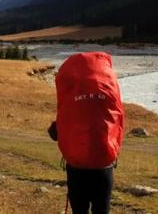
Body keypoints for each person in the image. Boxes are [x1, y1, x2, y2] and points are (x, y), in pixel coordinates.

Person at [48, 52, 124, 214]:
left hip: (77, 168)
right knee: (101, 210)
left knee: (80, 210)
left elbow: (54, 133)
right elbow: (118, 124)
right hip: (103, 165)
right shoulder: (108, 97)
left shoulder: (71, 104)